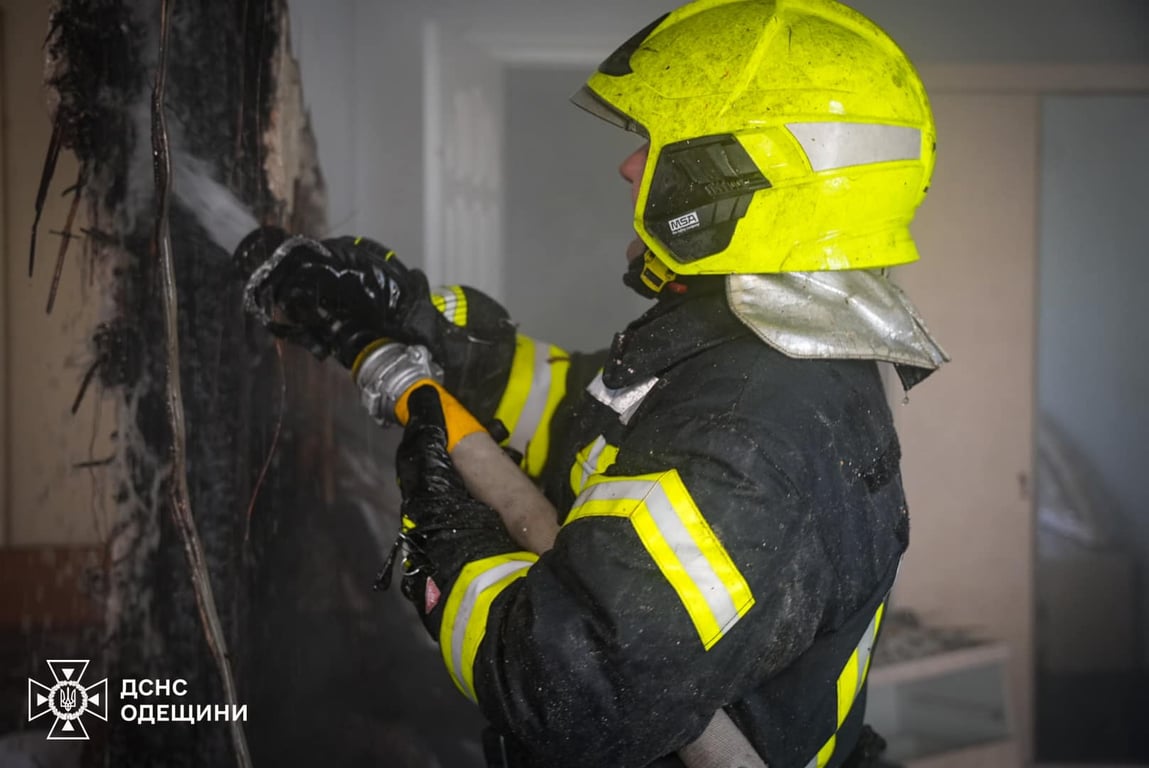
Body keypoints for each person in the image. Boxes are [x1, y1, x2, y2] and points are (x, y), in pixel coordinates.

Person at [241, 0, 948, 765]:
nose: (629, 166)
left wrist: (451, 539)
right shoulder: (755, 356)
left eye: (656, 144)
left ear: (737, 175)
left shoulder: (750, 435)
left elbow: (564, 693)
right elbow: (592, 427)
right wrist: (411, 322)